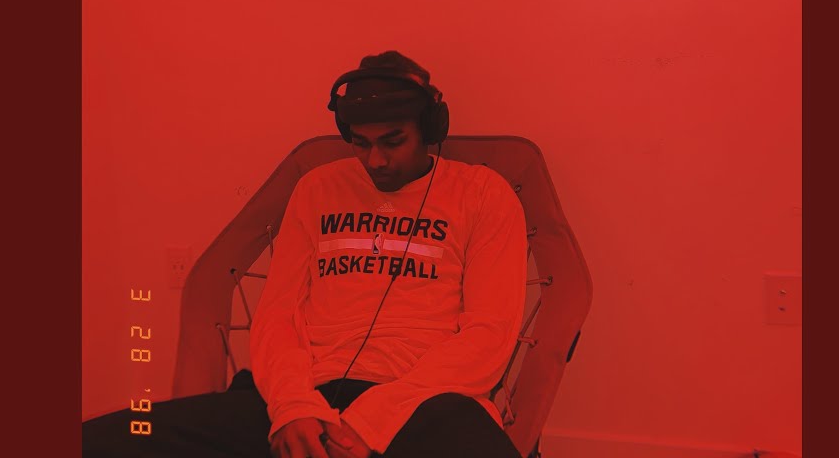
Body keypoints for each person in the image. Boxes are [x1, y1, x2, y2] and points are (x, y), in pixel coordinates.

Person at [83, 50, 528, 458]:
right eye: (361, 143)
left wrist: (372, 420)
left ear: (429, 130)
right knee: (100, 442)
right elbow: (278, 316)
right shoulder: (318, 188)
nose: (375, 160)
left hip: (426, 404)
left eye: (393, 141)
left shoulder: (482, 194)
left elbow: (488, 334)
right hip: (306, 398)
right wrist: (292, 406)